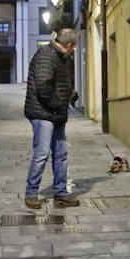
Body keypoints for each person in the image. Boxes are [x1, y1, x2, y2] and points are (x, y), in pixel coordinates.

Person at [23, 27, 80, 209]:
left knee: (61, 154)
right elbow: (43, 87)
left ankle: (60, 193)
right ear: (69, 45)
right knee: (41, 154)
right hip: (44, 113)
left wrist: (69, 95)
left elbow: (55, 84)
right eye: (74, 47)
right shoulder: (47, 56)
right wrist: (58, 104)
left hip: (54, 114)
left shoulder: (57, 57)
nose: (73, 50)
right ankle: (31, 194)